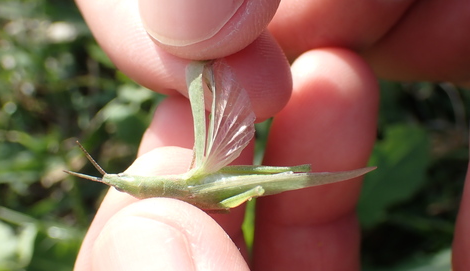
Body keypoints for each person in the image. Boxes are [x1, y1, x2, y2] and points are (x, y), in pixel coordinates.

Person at [73, 0, 470, 270]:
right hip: (216, 181)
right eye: (127, 184)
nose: (125, 183)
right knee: (282, 175)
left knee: (284, 167)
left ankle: (324, 173)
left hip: (209, 177)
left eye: (125, 183)